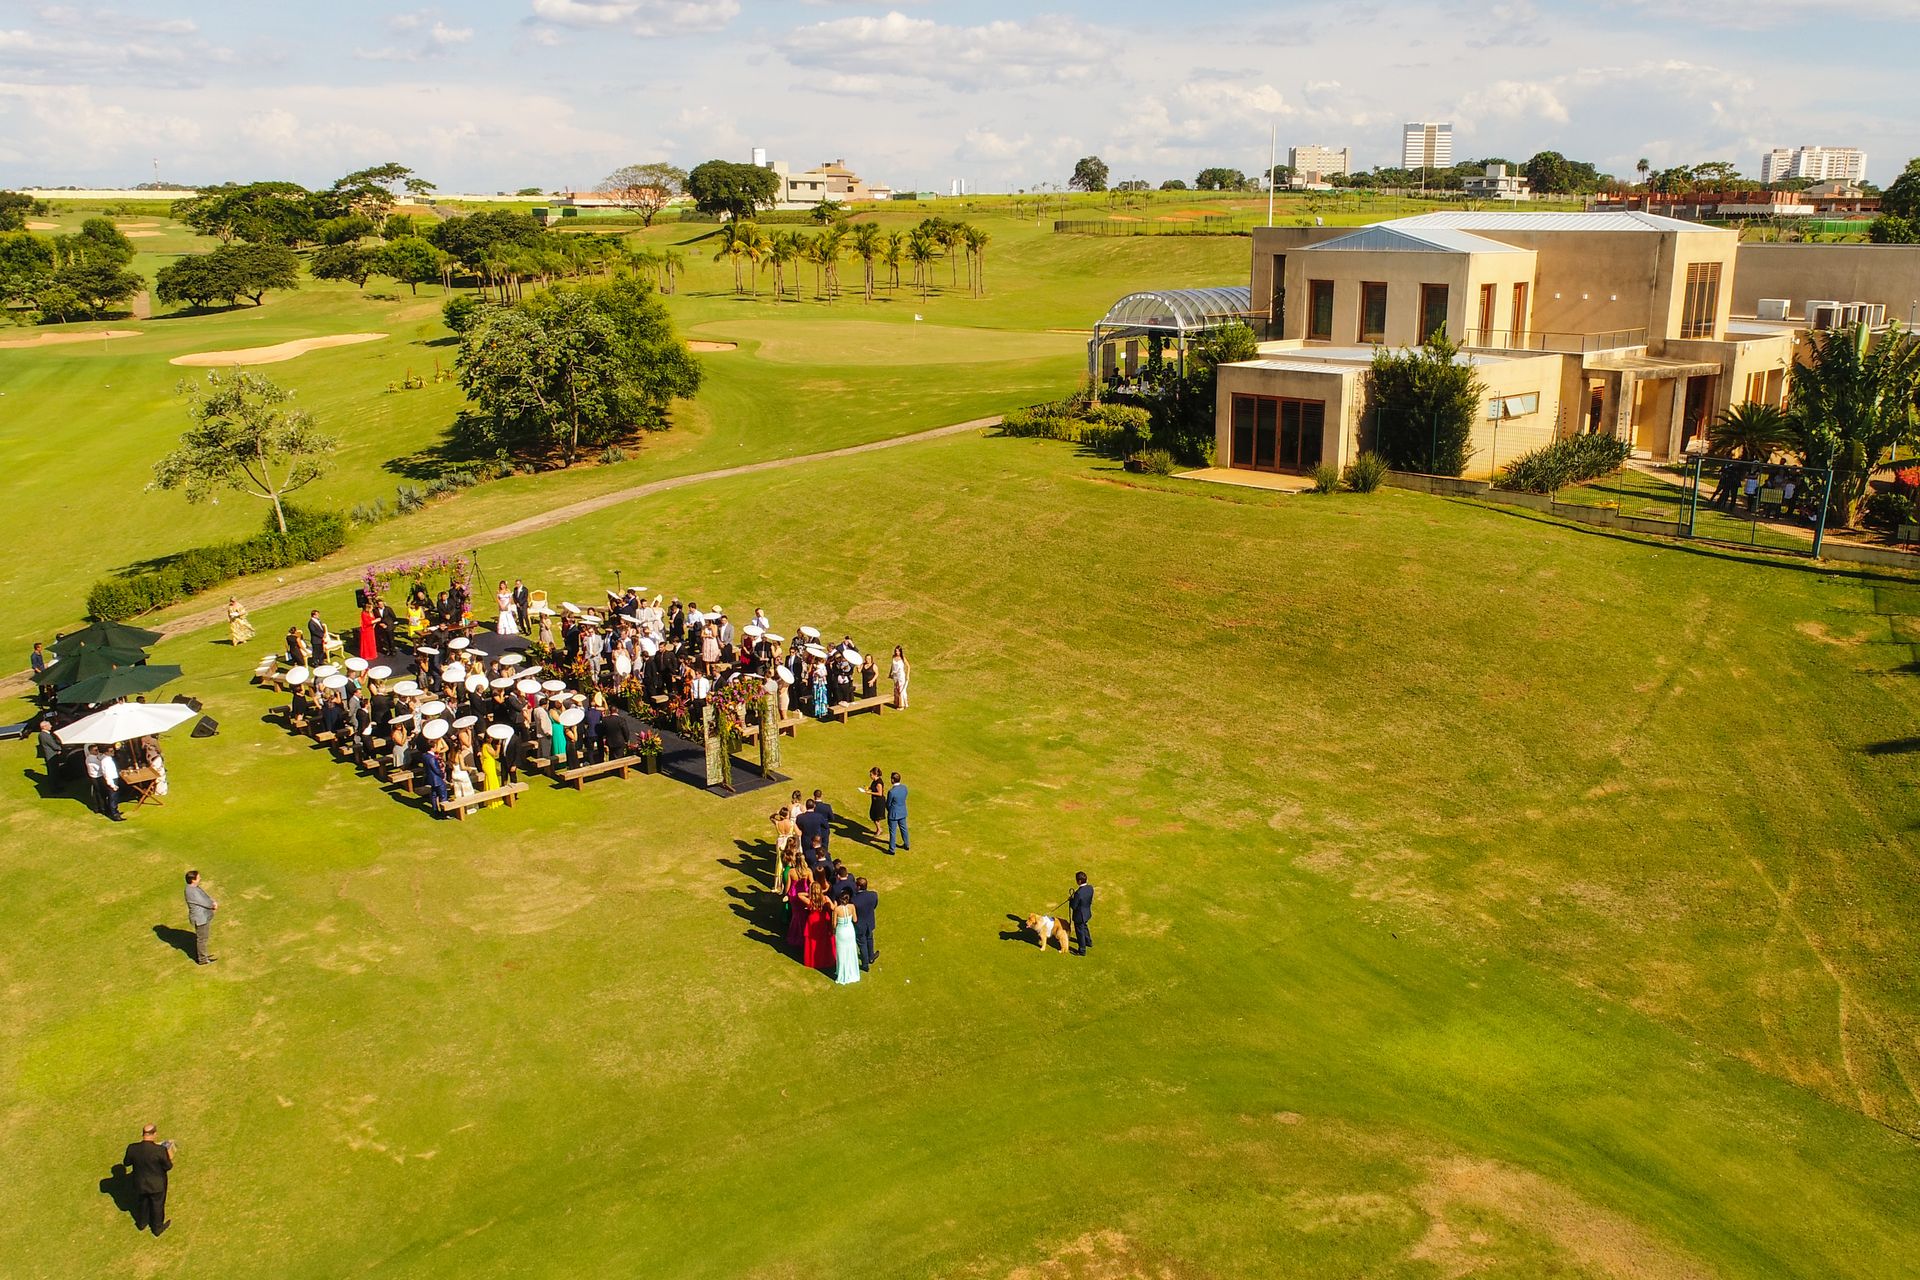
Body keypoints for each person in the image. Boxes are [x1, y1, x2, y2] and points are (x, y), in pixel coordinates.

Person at [120, 1124, 173, 1236]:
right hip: (157, 1185)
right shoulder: (160, 1150)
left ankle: (141, 1223)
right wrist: (169, 1156)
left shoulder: (132, 1148)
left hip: (140, 1184)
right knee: (157, 1205)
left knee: (142, 1203)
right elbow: (168, 1166)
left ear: (143, 1134)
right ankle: (157, 1228)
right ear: (154, 1134)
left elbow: (126, 1162)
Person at [184, 870, 217, 965]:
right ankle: (202, 959)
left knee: (203, 938)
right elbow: (203, 902)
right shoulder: (192, 891)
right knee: (202, 939)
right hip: (200, 919)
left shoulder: (192, 888)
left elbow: (204, 897)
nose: (200, 878)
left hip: (202, 917)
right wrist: (213, 905)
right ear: (193, 880)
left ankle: (203, 956)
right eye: (198, 877)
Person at [832, 890, 861, 985]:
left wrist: (833, 931)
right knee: (851, 951)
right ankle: (852, 971)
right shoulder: (852, 907)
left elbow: (834, 924)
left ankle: (842, 972)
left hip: (841, 932)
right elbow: (855, 919)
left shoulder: (836, 909)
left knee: (841, 953)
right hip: (850, 931)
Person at [851, 876, 878, 970]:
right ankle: (871, 957)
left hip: (859, 925)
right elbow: (874, 906)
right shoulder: (873, 895)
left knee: (862, 944)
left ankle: (865, 964)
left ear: (858, 887)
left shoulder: (854, 900)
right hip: (869, 922)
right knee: (869, 938)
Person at [96, 746, 125, 822]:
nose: (113, 752)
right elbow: (107, 774)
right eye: (111, 751)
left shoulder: (107, 759)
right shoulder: (106, 761)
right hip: (111, 780)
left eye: (113, 751)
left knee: (113, 797)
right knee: (113, 797)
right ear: (106, 752)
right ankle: (114, 815)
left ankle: (114, 811)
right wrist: (112, 785)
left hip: (113, 778)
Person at [1069, 871, 1094, 955]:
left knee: (1080, 933)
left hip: (1079, 916)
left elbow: (1074, 906)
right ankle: (1088, 942)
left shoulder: (1078, 893)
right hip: (1086, 913)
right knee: (1085, 927)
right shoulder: (1090, 888)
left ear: (1079, 881)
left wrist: (1071, 900)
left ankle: (1082, 950)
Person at [885, 770, 909, 855]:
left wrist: (890, 810)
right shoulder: (904, 788)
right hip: (902, 812)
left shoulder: (891, 792)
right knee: (904, 829)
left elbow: (888, 804)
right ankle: (906, 844)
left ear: (892, 780)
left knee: (893, 832)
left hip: (894, 814)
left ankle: (892, 849)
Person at [811, 788, 835, 858]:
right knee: (825, 846)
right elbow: (832, 818)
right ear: (821, 796)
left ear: (814, 796)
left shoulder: (812, 806)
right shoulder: (827, 807)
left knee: (815, 846)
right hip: (824, 829)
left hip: (815, 829)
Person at [864, 766, 885, 838]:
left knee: (875, 817)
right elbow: (873, 787)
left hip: (879, 802)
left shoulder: (879, 783)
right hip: (875, 801)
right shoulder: (875, 781)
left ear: (875, 774)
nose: (870, 776)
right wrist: (868, 788)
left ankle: (879, 829)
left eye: (871, 775)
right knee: (873, 815)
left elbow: (880, 793)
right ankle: (879, 829)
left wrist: (870, 793)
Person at [890, 644, 910, 709]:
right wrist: (890, 673)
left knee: (901, 690)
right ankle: (898, 703)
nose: (897, 652)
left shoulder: (902, 658)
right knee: (896, 689)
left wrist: (907, 675)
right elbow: (892, 666)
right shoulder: (893, 657)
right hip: (895, 675)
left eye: (898, 651)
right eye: (896, 651)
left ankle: (902, 705)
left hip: (901, 675)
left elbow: (908, 666)